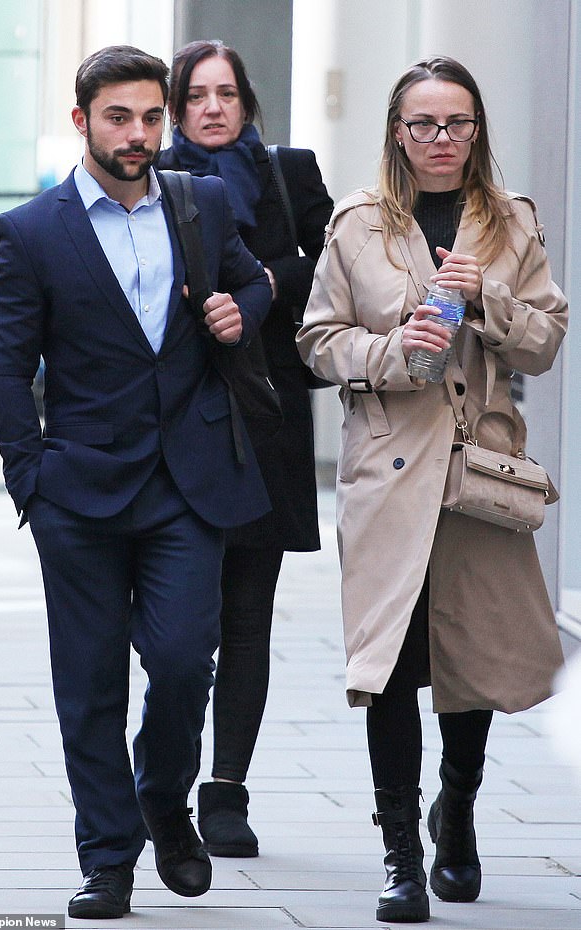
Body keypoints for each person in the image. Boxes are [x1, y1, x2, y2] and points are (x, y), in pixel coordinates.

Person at [0, 45, 272, 920]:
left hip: (189, 482)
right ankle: (108, 858)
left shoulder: (203, 202)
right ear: (83, 122)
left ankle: (162, 799)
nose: (139, 134)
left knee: (185, 662)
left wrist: (237, 311)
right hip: (81, 490)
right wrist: (32, 477)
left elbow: (253, 283)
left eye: (152, 116)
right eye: (120, 117)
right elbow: (2, 369)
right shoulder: (31, 231)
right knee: (92, 683)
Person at [297, 56, 568, 923]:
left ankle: (454, 810)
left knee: (471, 663)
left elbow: (544, 342)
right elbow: (316, 340)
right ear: (396, 132)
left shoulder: (511, 221)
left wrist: (486, 296)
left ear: (477, 130)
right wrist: (392, 348)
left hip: (479, 476)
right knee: (390, 668)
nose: (441, 140)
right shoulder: (359, 223)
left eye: (457, 124)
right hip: (389, 475)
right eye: (423, 125)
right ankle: (400, 857)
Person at [156, 39, 333, 857]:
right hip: (181, 423)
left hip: (266, 419)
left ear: (247, 101)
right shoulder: (150, 179)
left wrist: (262, 282)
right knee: (182, 625)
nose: (215, 108)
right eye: (198, 95)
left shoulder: (288, 174)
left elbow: (333, 280)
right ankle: (167, 778)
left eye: (228, 93)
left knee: (249, 615)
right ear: (178, 105)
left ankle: (225, 791)